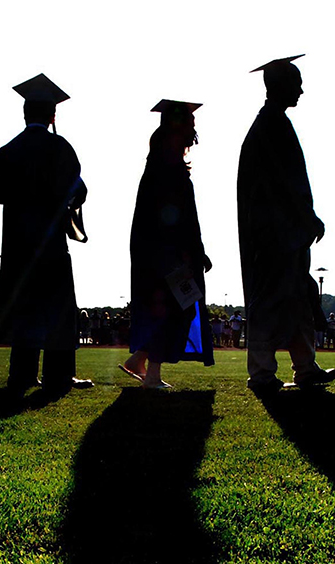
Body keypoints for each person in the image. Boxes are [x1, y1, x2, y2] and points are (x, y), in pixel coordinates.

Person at [0, 73, 93, 395]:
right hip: (51, 245)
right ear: (52, 115)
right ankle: (58, 376)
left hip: (17, 246)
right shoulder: (59, 147)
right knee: (57, 311)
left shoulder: (9, 150)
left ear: (25, 113)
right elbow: (80, 191)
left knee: (25, 310)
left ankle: (22, 374)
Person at [237, 54, 335, 393]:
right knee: (269, 300)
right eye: (296, 83)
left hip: (286, 233)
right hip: (274, 234)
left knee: (297, 298)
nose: (302, 91)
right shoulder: (270, 125)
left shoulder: (272, 122)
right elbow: (284, 182)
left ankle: (305, 367)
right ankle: (263, 372)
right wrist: (306, 216)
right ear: (280, 86)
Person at [120, 100, 215, 388]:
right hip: (169, 255)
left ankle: (140, 360)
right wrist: (194, 253)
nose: (194, 130)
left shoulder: (159, 163)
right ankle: (152, 374)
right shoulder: (168, 167)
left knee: (177, 307)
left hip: (159, 252)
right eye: (191, 124)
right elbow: (178, 217)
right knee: (175, 308)